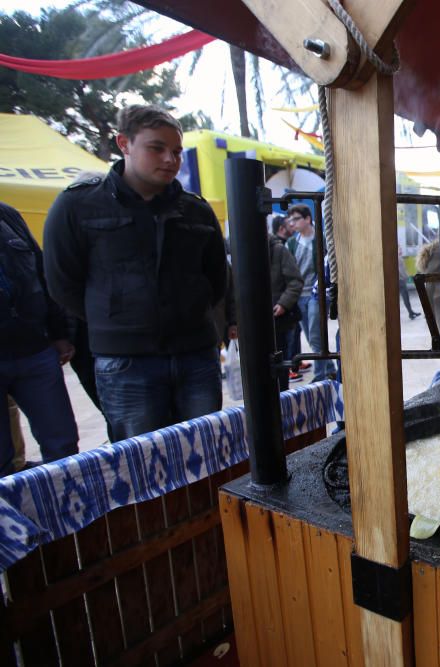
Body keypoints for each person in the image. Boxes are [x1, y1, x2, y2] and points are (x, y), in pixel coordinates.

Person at [43, 105, 227, 442]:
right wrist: (115, 320)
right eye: (157, 148)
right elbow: (61, 283)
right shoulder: (77, 207)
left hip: (196, 355)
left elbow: (217, 279)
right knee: (142, 468)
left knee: (206, 457)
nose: (170, 159)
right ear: (124, 143)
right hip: (125, 363)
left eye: (176, 151)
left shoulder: (197, 210)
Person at [1, 201, 79, 474]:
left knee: (64, 447)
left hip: (34, 349)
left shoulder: (7, 215)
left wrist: (58, 333)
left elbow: (41, 273)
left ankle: (70, 510)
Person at [284, 204, 329, 382]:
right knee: (312, 337)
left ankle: (320, 376)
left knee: (316, 336)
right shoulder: (291, 243)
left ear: (308, 219)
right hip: (299, 296)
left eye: (295, 219)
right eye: (290, 220)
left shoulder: (321, 239)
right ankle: (330, 366)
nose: (291, 223)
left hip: (316, 294)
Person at [269, 233, 303, 390]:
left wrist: (283, 303)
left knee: (279, 362)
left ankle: (282, 399)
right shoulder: (237, 251)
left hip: (278, 320)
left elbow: (295, 281)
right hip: (253, 323)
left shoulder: (279, 250)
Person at [398, 247, 421, 320]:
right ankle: (410, 313)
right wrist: (408, 277)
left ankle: (411, 312)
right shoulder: (399, 259)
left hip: (399, 281)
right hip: (401, 281)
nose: (401, 250)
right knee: (406, 298)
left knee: (405, 298)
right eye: (399, 249)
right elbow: (402, 271)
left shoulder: (397, 258)